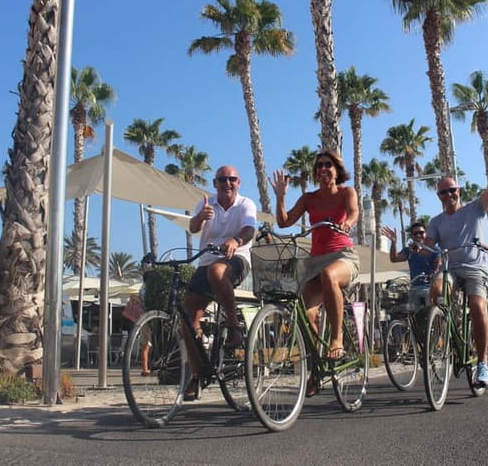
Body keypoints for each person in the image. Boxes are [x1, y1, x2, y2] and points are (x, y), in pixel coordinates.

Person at [425, 141, 488, 386]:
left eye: (453, 190)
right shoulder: (436, 221)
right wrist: (421, 248)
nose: (449, 195)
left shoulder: (474, 209)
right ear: (438, 196)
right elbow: (429, 246)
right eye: (443, 192)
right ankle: (447, 331)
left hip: (474, 269)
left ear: (459, 191)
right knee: (436, 290)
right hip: (450, 269)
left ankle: (482, 364)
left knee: (478, 305)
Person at [270, 151, 360, 363]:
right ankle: (316, 366)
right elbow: (284, 222)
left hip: (342, 256)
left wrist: (347, 223)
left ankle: (337, 339)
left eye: (327, 165)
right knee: (304, 313)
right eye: (319, 166)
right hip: (315, 261)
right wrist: (280, 197)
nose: (322, 169)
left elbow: (354, 212)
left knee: (329, 275)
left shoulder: (346, 192)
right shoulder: (309, 199)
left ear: (337, 170)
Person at [182, 165, 256, 400]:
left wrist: (236, 240)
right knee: (186, 319)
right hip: (205, 262)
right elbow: (193, 228)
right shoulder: (206, 203)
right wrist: (199, 217)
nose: (227, 183)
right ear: (215, 183)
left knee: (217, 271)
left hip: (236, 260)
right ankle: (197, 375)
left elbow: (249, 229)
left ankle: (234, 327)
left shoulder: (246, 204)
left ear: (239, 182)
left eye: (231, 179)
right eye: (222, 179)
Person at [382, 222, 440, 309]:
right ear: (412, 236)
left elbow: (438, 265)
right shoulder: (409, 250)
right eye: (415, 233)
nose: (418, 235)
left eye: (421, 233)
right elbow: (394, 259)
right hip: (415, 288)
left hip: (430, 288)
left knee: (431, 311)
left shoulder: (434, 249)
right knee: (411, 313)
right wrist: (394, 242)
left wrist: (434, 274)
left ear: (426, 234)